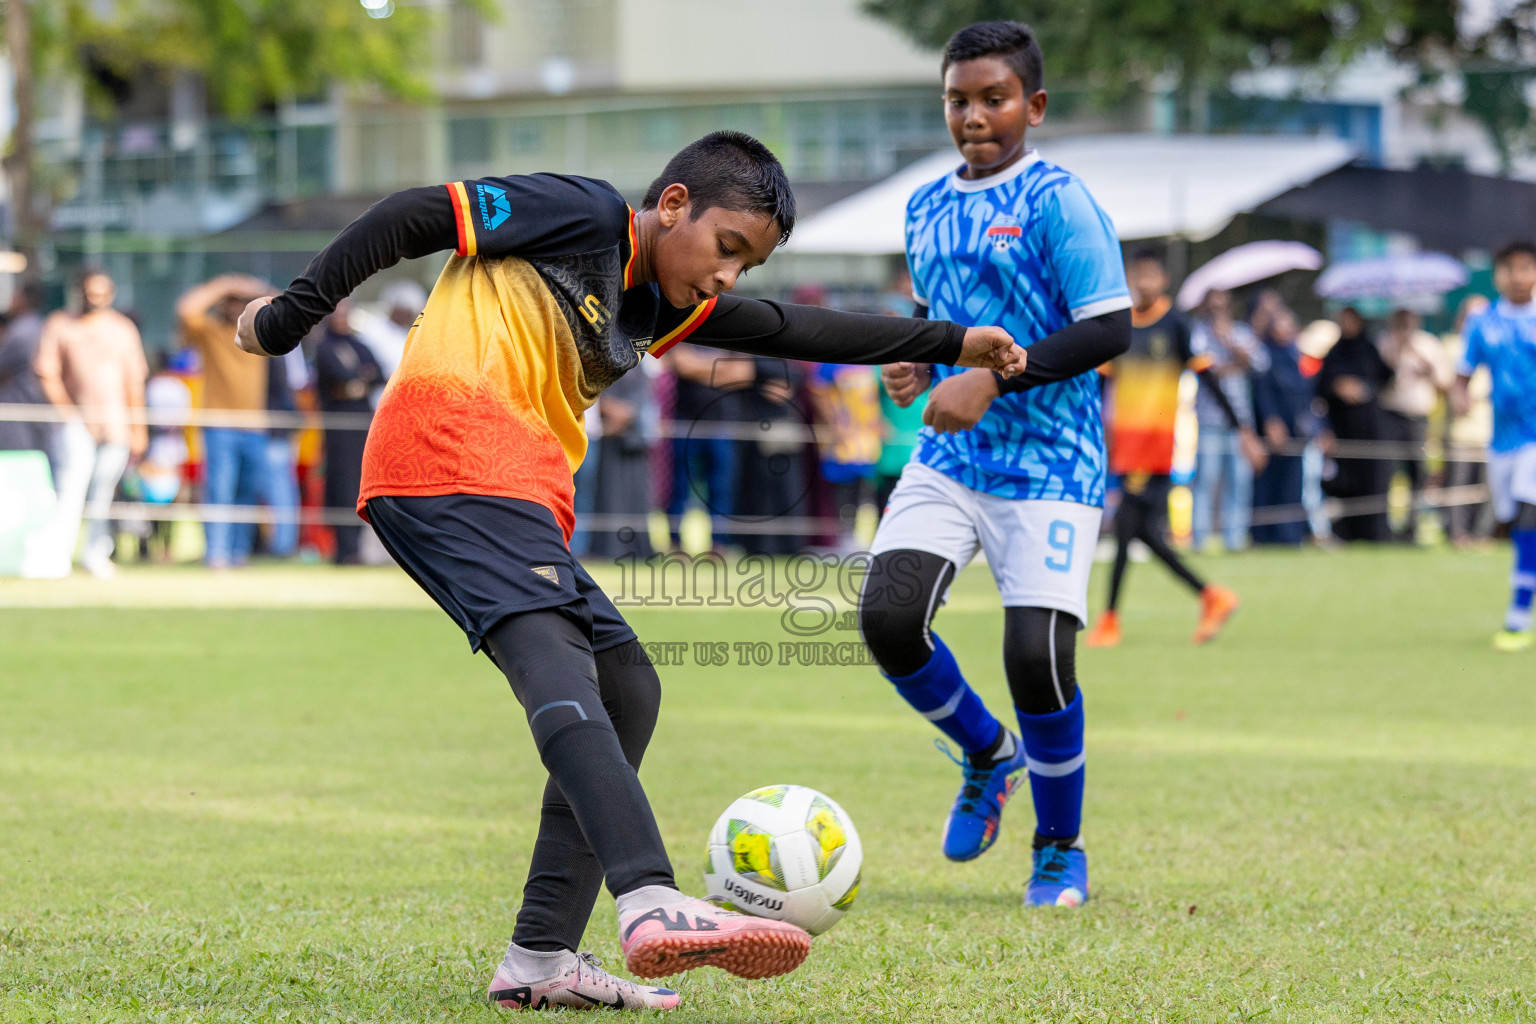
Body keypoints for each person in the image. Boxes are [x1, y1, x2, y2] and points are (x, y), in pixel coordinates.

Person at [234, 130, 1025, 1011]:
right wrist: (284, 320)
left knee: (627, 686)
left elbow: (797, 329)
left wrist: (956, 341)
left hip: (515, 491)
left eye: (746, 264)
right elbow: (413, 214)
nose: (728, 277)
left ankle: (541, 957)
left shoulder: (658, 304)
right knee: (558, 666)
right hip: (449, 456)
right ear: (675, 204)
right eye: (727, 248)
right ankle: (649, 896)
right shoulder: (581, 214)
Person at [857, 21, 1130, 912]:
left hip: (1052, 461)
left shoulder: (1061, 200)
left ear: (1034, 106)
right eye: (958, 100)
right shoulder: (925, 205)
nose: (973, 115)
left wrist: (989, 379)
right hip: (953, 459)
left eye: (993, 98)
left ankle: (1060, 849)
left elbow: (1108, 327)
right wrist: (920, 363)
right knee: (890, 620)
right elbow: (937, 315)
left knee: (1036, 657)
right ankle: (987, 754)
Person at [1084, 250, 1263, 649]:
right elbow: (1100, 387)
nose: (1142, 283)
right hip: (1124, 447)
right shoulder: (1120, 326)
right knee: (1144, 534)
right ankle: (1211, 596)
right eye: (1136, 275)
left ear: (1163, 280)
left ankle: (1110, 619)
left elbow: (1210, 380)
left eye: (1150, 275)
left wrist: (1243, 431)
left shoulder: (1177, 326)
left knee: (1128, 530)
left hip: (1156, 447)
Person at [33, 269, 148, 578]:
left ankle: (95, 554)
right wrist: (68, 414)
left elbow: (134, 381)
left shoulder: (122, 329)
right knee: (69, 489)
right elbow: (47, 372)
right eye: (89, 293)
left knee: (103, 494)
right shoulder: (60, 324)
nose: (94, 300)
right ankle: (57, 557)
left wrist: (139, 428)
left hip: (116, 424)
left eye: (101, 293)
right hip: (76, 424)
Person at [177, 274, 297, 567]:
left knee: (247, 494)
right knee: (219, 490)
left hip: (255, 427)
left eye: (241, 302)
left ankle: (238, 553)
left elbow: (290, 306)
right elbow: (187, 310)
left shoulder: (259, 333)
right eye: (230, 302)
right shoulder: (211, 332)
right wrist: (226, 284)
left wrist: (253, 290)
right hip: (219, 425)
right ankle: (216, 553)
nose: (236, 307)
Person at [1452, 241, 1536, 652]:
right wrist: (1460, 396)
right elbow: (1463, 371)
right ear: (1499, 274)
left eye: (1527, 267)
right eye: (1511, 268)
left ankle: (1517, 617)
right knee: (1508, 516)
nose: (1519, 276)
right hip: (1501, 440)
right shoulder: (1483, 323)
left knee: (1527, 512)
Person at [1188, 287, 1267, 551]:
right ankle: (1200, 541)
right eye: (1213, 306)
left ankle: (1235, 541)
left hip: (1240, 424)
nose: (1217, 310)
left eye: (1222, 306)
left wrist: (1229, 342)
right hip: (1210, 420)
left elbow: (1259, 363)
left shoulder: (1240, 333)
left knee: (1239, 482)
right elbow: (1204, 370)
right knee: (1206, 482)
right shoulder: (1197, 333)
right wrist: (1233, 364)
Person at [314, 301, 382, 565]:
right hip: (338, 426)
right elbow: (338, 376)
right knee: (342, 484)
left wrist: (357, 381)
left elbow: (378, 372)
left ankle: (358, 547)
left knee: (361, 482)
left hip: (361, 425)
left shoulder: (358, 344)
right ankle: (344, 549)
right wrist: (357, 380)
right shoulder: (326, 347)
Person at [1318, 307, 1394, 542]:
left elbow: (1384, 377)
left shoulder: (1369, 349)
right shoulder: (1334, 353)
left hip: (1371, 428)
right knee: (1347, 484)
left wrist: (1364, 388)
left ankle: (1376, 534)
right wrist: (1338, 386)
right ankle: (1348, 533)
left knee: (1375, 481)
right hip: (1344, 430)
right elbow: (1321, 386)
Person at [1378, 308, 1452, 542]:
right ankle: (1385, 528)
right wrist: (1398, 351)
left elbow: (1445, 381)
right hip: (1390, 414)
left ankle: (1412, 526)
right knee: (1387, 470)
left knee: (1418, 472)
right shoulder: (1384, 342)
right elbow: (1380, 379)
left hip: (1418, 417)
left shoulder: (1428, 344)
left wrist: (1423, 364)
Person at [1250, 307, 1317, 545]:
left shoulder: (1295, 356)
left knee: (1293, 485)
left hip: (1297, 430)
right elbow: (1262, 391)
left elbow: (1305, 394)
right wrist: (1270, 420)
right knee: (1269, 484)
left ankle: (1290, 536)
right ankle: (1264, 537)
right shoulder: (1264, 355)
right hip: (1274, 430)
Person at [1442, 295, 1494, 546]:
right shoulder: (1453, 345)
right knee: (1460, 486)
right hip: (1461, 429)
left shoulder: (1495, 344)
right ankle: (1459, 534)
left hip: (1492, 429)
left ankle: (1483, 534)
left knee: (1489, 487)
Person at [0, 280, 56, 470]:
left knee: (19, 465)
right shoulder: (41, 326)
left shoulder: (22, 331)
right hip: (35, 409)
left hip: (21, 409)